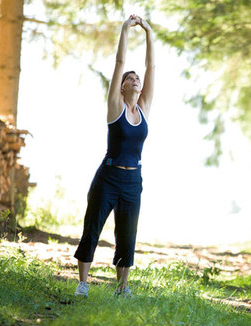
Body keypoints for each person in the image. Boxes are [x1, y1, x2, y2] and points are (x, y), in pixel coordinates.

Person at [73, 14, 155, 298]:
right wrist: (124, 30)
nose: (134, 79)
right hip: (108, 176)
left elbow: (151, 65)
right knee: (92, 227)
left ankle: (122, 287)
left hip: (133, 181)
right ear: (121, 87)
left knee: (127, 235)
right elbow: (119, 63)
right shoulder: (115, 107)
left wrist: (148, 32)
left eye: (137, 78)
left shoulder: (143, 108)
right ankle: (83, 283)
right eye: (129, 78)